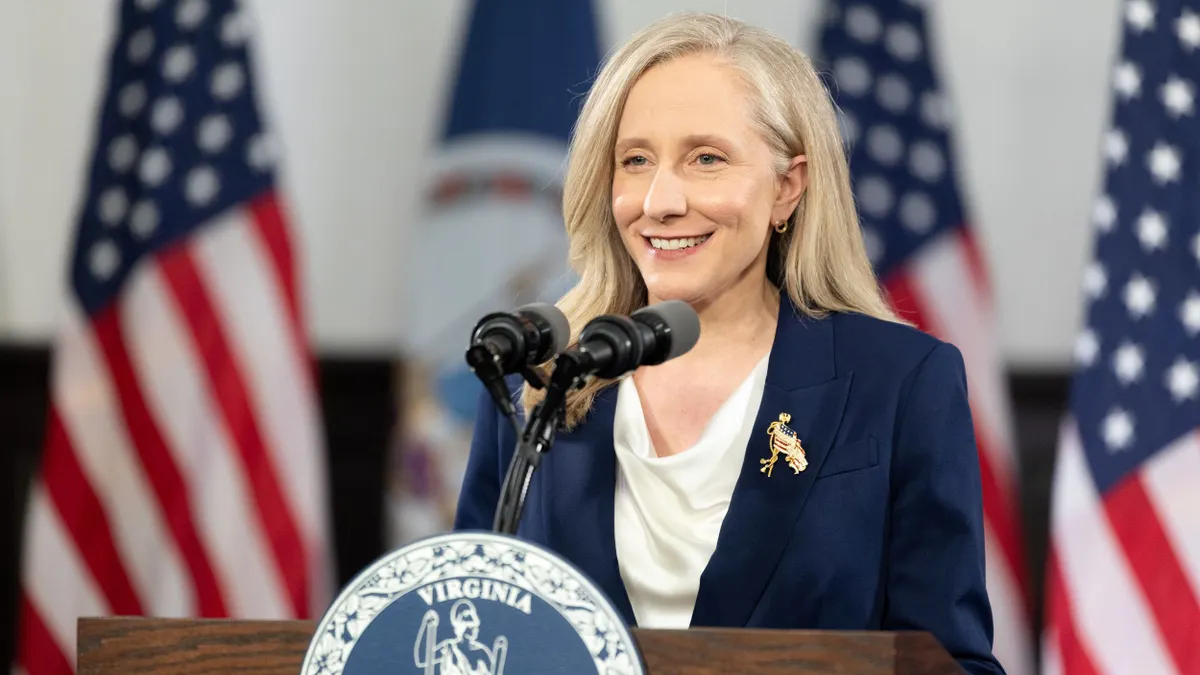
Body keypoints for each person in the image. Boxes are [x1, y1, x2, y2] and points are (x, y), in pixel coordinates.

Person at [454, 11, 1004, 675]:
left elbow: (953, 662)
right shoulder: (537, 381)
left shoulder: (898, 382)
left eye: (706, 159)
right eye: (635, 161)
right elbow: (468, 632)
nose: (660, 200)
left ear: (787, 188)